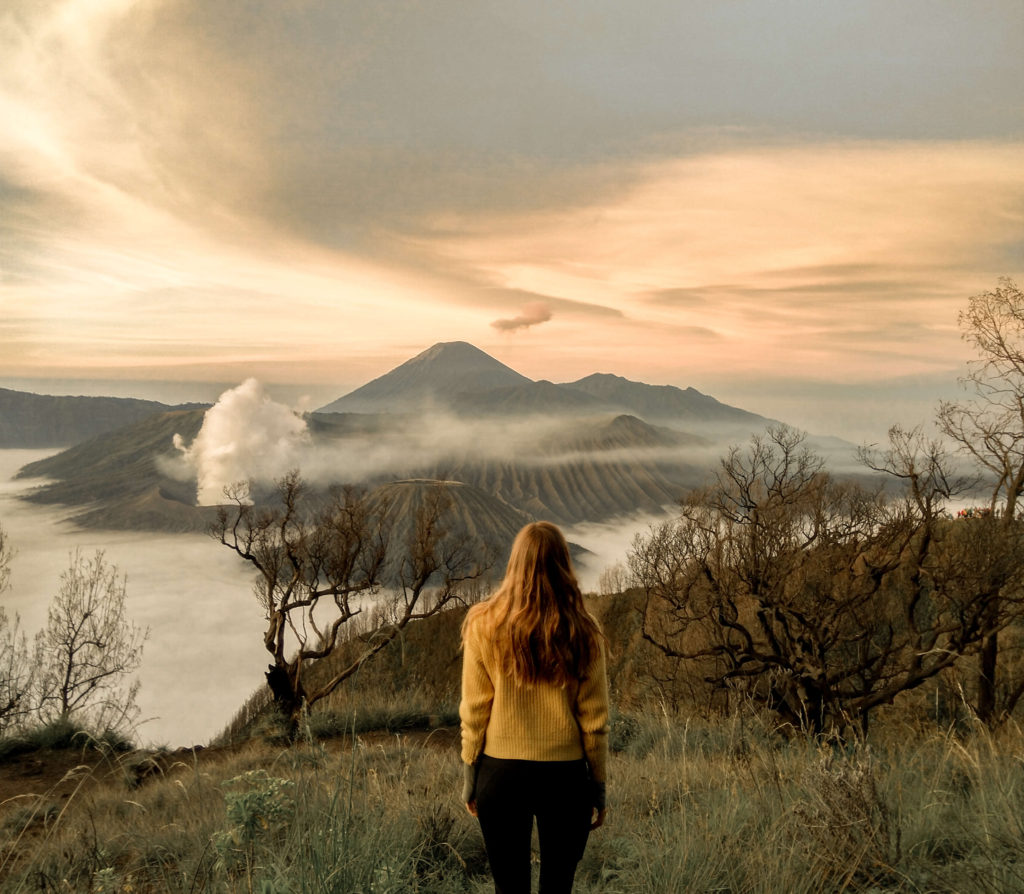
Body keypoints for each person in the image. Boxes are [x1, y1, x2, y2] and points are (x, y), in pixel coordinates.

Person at [459, 521, 609, 894]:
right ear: (564, 564)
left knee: (509, 888)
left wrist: (470, 775)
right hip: (565, 780)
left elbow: (474, 712)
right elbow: (594, 723)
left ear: (515, 564)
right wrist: (598, 785)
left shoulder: (482, 625)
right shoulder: (584, 630)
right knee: (558, 887)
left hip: (500, 775)